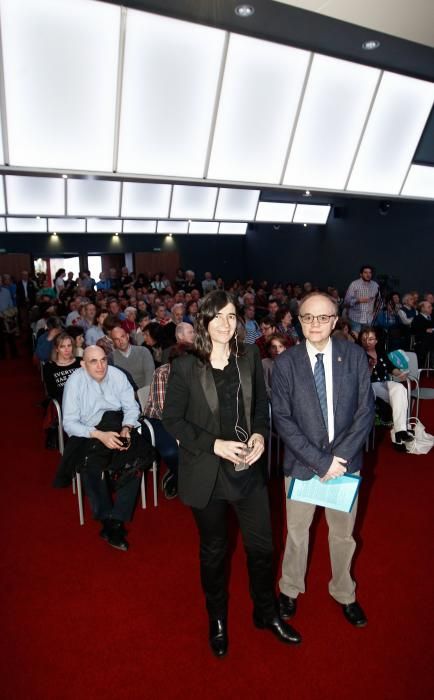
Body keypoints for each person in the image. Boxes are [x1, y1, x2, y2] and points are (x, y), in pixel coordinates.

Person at [163, 290, 301, 658]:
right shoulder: (185, 364)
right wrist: (214, 445)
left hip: (247, 468)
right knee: (214, 552)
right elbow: (171, 418)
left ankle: (265, 613)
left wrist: (258, 432)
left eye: (231, 316)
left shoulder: (250, 355)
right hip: (206, 471)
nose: (225, 324)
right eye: (217, 317)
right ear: (205, 322)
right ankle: (218, 619)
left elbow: (259, 405)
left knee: (262, 548)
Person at [272, 292, 375, 629]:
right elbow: (283, 420)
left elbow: (365, 412)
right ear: (299, 320)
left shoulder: (356, 356)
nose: (314, 324)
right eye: (307, 317)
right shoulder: (286, 363)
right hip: (302, 465)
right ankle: (289, 588)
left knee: (343, 536)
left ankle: (344, 592)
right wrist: (320, 461)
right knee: (297, 533)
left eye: (322, 317)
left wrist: (339, 459)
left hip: (344, 466)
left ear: (334, 320)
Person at [56, 345, 153, 551]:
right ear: (83, 364)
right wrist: (100, 435)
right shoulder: (75, 382)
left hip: (118, 424)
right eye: (93, 361)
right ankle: (106, 518)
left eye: (103, 360)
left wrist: (126, 428)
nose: (100, 366)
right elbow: (70, 423)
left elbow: (131, 407)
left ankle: (116, 519)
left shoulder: (117, 376)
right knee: (91, 468)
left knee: (136, 460)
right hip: (88, 431)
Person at [358, 327, 412, 449]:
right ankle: (398, 435)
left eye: (371, 339)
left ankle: (400, 431)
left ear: (376, 340)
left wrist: (400, 374)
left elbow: (391, 367)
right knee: (395, 394)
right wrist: (370, 368)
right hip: (369, 386)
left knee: (400, 388)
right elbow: (362, 378)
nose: (368, 342)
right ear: (361, 340)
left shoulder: (381, 352)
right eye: (365, 339)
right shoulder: (358, 354)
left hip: (384, 383)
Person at [111, 325, 155, 410]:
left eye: (122, 336)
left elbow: (150, 376)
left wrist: (142, 396)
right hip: (125, 400)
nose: (120, 341)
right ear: (113, 342)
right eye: (116, 339)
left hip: (147, 394)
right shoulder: (111, 358)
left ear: (127, 336)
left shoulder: (143, 351)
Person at [43, 332, 81, 402]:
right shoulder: (49, 367)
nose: (67, 350)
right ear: (57, 349)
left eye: (69, 345)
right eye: (62, 346)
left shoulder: (80, 362)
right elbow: (52, 392)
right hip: (64, 402)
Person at [344, 265, 379, 336]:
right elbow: (346, 301)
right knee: (355, 341)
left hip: (369, 319)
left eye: (370, 273)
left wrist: (375, 311)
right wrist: (358, 300)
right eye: (365, 272)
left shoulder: (375, 285)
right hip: (355, 318)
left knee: (366, 341)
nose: (368, 274)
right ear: (361, 274)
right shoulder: (354, 284)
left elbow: (379, 301)